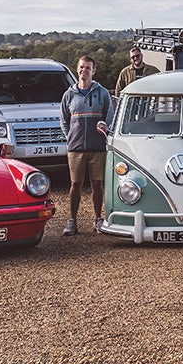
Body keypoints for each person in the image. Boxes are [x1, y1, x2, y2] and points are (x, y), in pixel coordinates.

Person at [60, 55, 114, 236]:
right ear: (77, 69)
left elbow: (109, 117)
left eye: (88, 68)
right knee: (75, 184)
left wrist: (104, 136)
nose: (84, 71)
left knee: (97, 184)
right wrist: (70, 137)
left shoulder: (103, 93)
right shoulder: (68, 94)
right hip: (75, 149)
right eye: (82, 67)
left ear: (94, 70)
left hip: (97, 147)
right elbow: (63, 120)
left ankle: (98, 219)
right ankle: (72, 221)